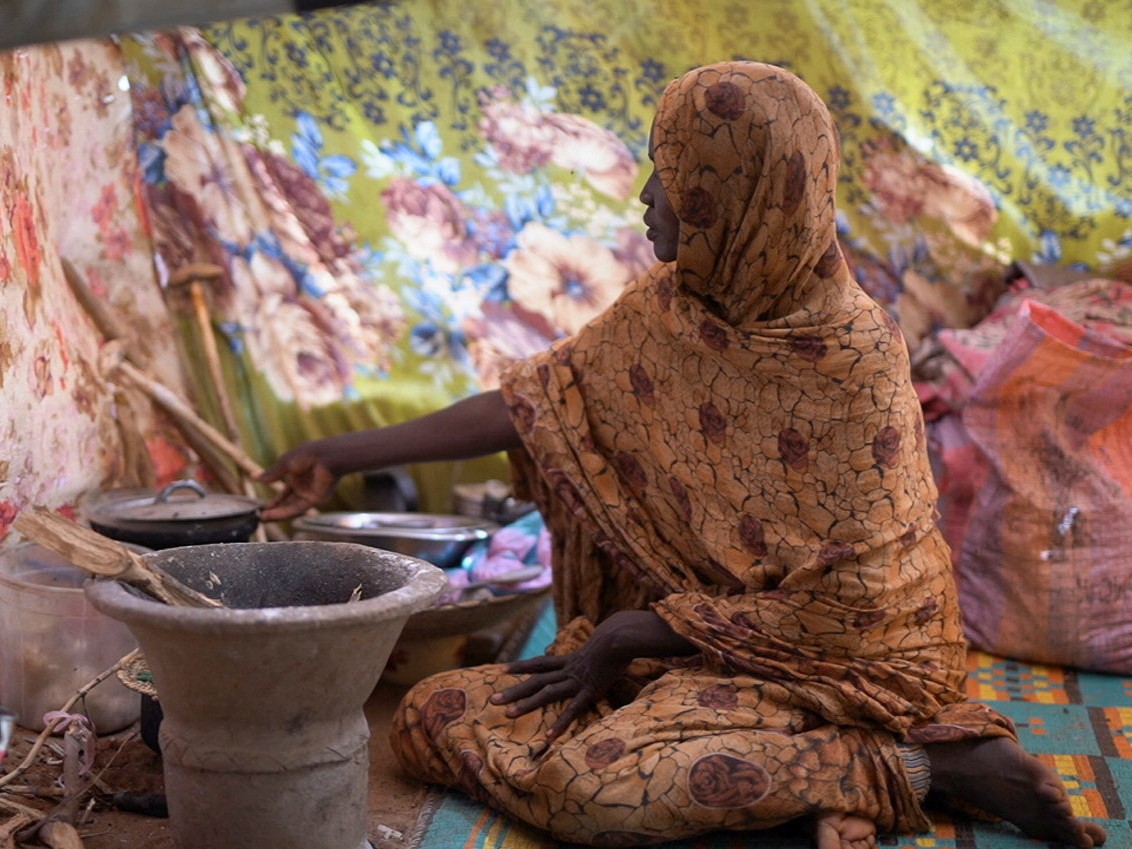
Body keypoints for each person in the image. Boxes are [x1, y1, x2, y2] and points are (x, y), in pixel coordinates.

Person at [259, 61, 1106, 849]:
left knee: (593, 786)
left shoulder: (849, 357)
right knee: (427, 715)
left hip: (848, 664)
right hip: (688, 644)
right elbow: (536, 402)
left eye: (672, 172)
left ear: (736, 193)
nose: (645, 196)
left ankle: (921, 765)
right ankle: (800, 787)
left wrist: (644, 627)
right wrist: (338, 452)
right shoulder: (670, 307)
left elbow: (863, 601)